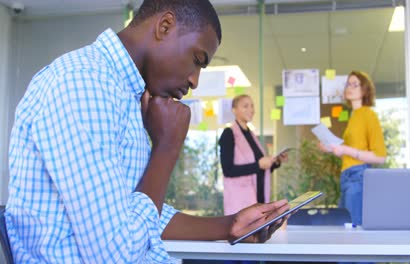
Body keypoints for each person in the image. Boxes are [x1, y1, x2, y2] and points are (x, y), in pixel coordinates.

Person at [5, 1, 289, 263]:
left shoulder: (123, 93)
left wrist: (230, 226)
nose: (194, 81)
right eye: (197, 60)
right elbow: (118, 254)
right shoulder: (84, 84)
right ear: (164, 27)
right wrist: (166, 147)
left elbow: (136, 214)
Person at [319, 71, 386, 226]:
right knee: (347, 227)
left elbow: (380, 156)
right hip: (347, 176)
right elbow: (351, 153)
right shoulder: (354, 116)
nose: (350, 87)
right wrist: (333, 149)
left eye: (355, 84)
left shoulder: (369, 114)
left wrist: (345, 150)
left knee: (353, 228)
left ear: (365, 89)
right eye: (348, 84)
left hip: (358, 176)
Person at [219, 94, 288, 216]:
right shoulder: (228, 134)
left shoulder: (251, 135)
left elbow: (260, 169)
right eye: (245, 106)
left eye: (252, 106)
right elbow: (228, 170)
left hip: (259, 197)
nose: (251, 110)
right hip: (240, 199)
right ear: (234, 110)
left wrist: (276, 162)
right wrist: (258, 165)